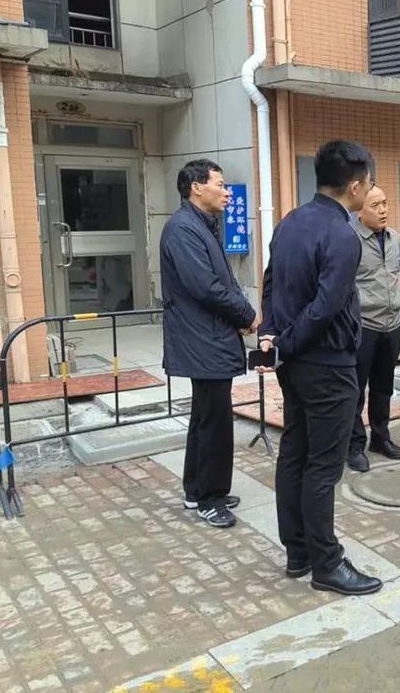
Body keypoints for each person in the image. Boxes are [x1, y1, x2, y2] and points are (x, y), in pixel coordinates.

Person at [257, 140, 382, 596]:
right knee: (323, 466)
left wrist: (273, 335)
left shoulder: (289, 222)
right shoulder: (343, 234)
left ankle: (298, 552)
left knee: (294, 451)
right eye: (369, 184)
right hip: (327, 363)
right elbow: (327, 306)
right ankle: (326, 563)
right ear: (355, 186)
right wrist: (287, 341)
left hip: (294, 364)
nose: (370, 192)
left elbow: (270, 284)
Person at [160, 159, 257, 529]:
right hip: (203, 340)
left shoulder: (201, 225)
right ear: (196, 187)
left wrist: (239, 315)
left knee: (204, 417)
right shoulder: (183, 230)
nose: (226, 192)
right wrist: (246, 315)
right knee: (215, 423)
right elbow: (207, 288)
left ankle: (196, 489)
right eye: (220, 184)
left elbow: (221, 282)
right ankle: (210, 499)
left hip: (209, 337)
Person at [347, 185, 400, 472]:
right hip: (364, 325)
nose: (383, 210)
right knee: (355, 390)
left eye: (385, 203)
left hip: (391, 324)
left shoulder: (394, 237)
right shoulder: (350, 239)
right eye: (375, 205)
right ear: (360, 209)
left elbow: (394, 274)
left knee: (384, 387)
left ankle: (381, 438)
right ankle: (354, 445)